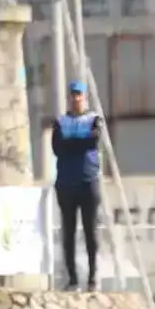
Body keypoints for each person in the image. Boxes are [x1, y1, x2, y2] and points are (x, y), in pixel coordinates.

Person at [49, 80, 103, 290]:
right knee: (68, 231)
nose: (76, 98)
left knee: (90, 230)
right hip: (66, 183)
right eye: (73, 95)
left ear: (84, 97)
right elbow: (57, 148)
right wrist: (78, 142)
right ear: (69, 97)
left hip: (88, 181)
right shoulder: (60, 121)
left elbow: (93, 141)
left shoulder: (94, 119)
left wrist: (71, 142)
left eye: (79, 95)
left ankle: (92, 276)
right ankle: (72, 278)